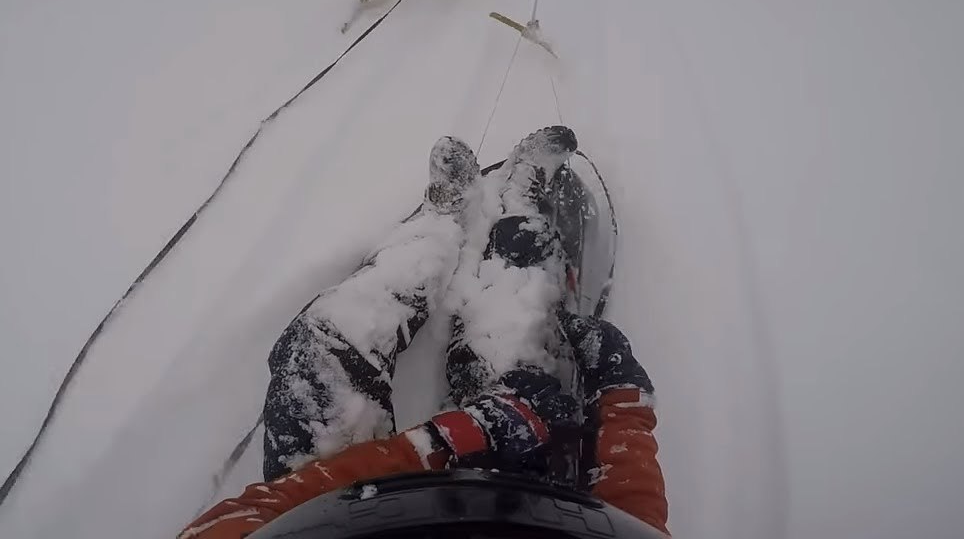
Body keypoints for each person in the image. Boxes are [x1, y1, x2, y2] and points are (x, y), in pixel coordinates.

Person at [178, 127, 668, 539]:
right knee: (519, 316)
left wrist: (449, 438)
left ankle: (437, 232)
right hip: (522, 495)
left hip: (330, 507)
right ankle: (519, 205)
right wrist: (622, 400)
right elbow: (630, 520)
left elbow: (242, 517)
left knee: (324, 340)